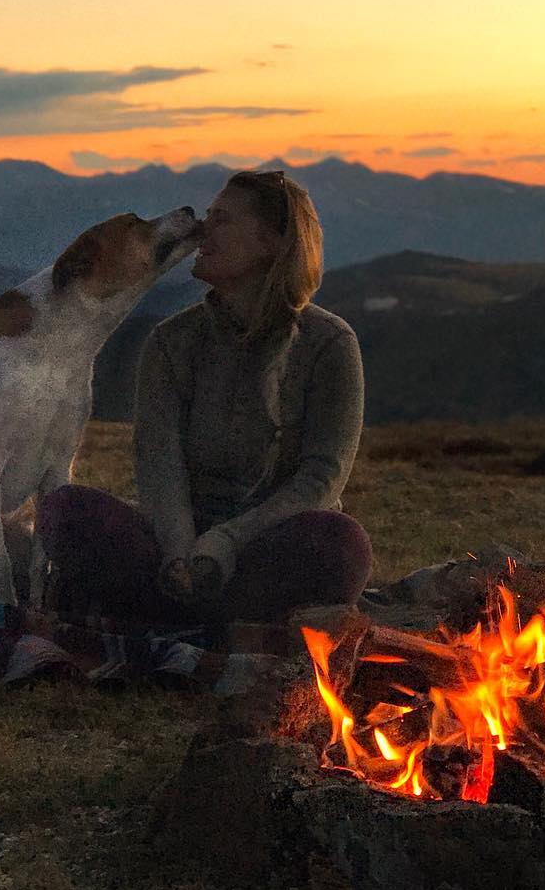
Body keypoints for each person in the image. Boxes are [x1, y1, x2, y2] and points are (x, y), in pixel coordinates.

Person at [36, 169, 372, 628]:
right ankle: (219, 617)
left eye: (223, 219)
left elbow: (321, 479)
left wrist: (227, 544)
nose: (202, 228)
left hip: (267, 543)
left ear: (272, 243)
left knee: (341, 544)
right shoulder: (171, 343)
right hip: (175, 546)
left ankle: (160, 617)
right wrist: (180, 556)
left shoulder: (329, 344)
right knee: (64, 512)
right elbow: (159, 465)